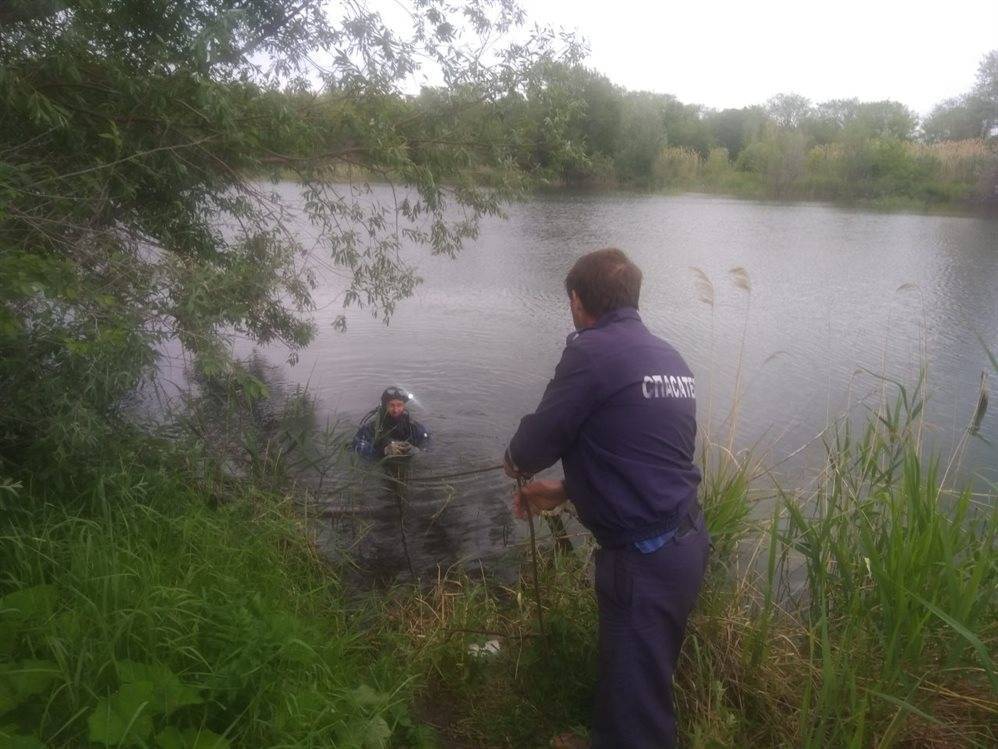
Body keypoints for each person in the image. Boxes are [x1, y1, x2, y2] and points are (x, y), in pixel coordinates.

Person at [504, 248, 709, 749]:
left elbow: (535, 444)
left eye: (570, 299)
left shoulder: (591, 351)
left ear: (577, 301)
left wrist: (516, 459)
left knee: (639, 701)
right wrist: (566, 490)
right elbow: (644, 456)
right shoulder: (668, 356)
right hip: (684, 543)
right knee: (635, 676)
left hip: (642, 556)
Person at [352, 386, 430, 460]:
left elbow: (427, 443)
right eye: (391, 405)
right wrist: (384, 451)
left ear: (404, 406)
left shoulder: (413, 427)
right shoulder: (371, 428)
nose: (395, 410)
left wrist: (416, 451)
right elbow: (357, 447)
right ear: (385, 406)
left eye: (399, 405)